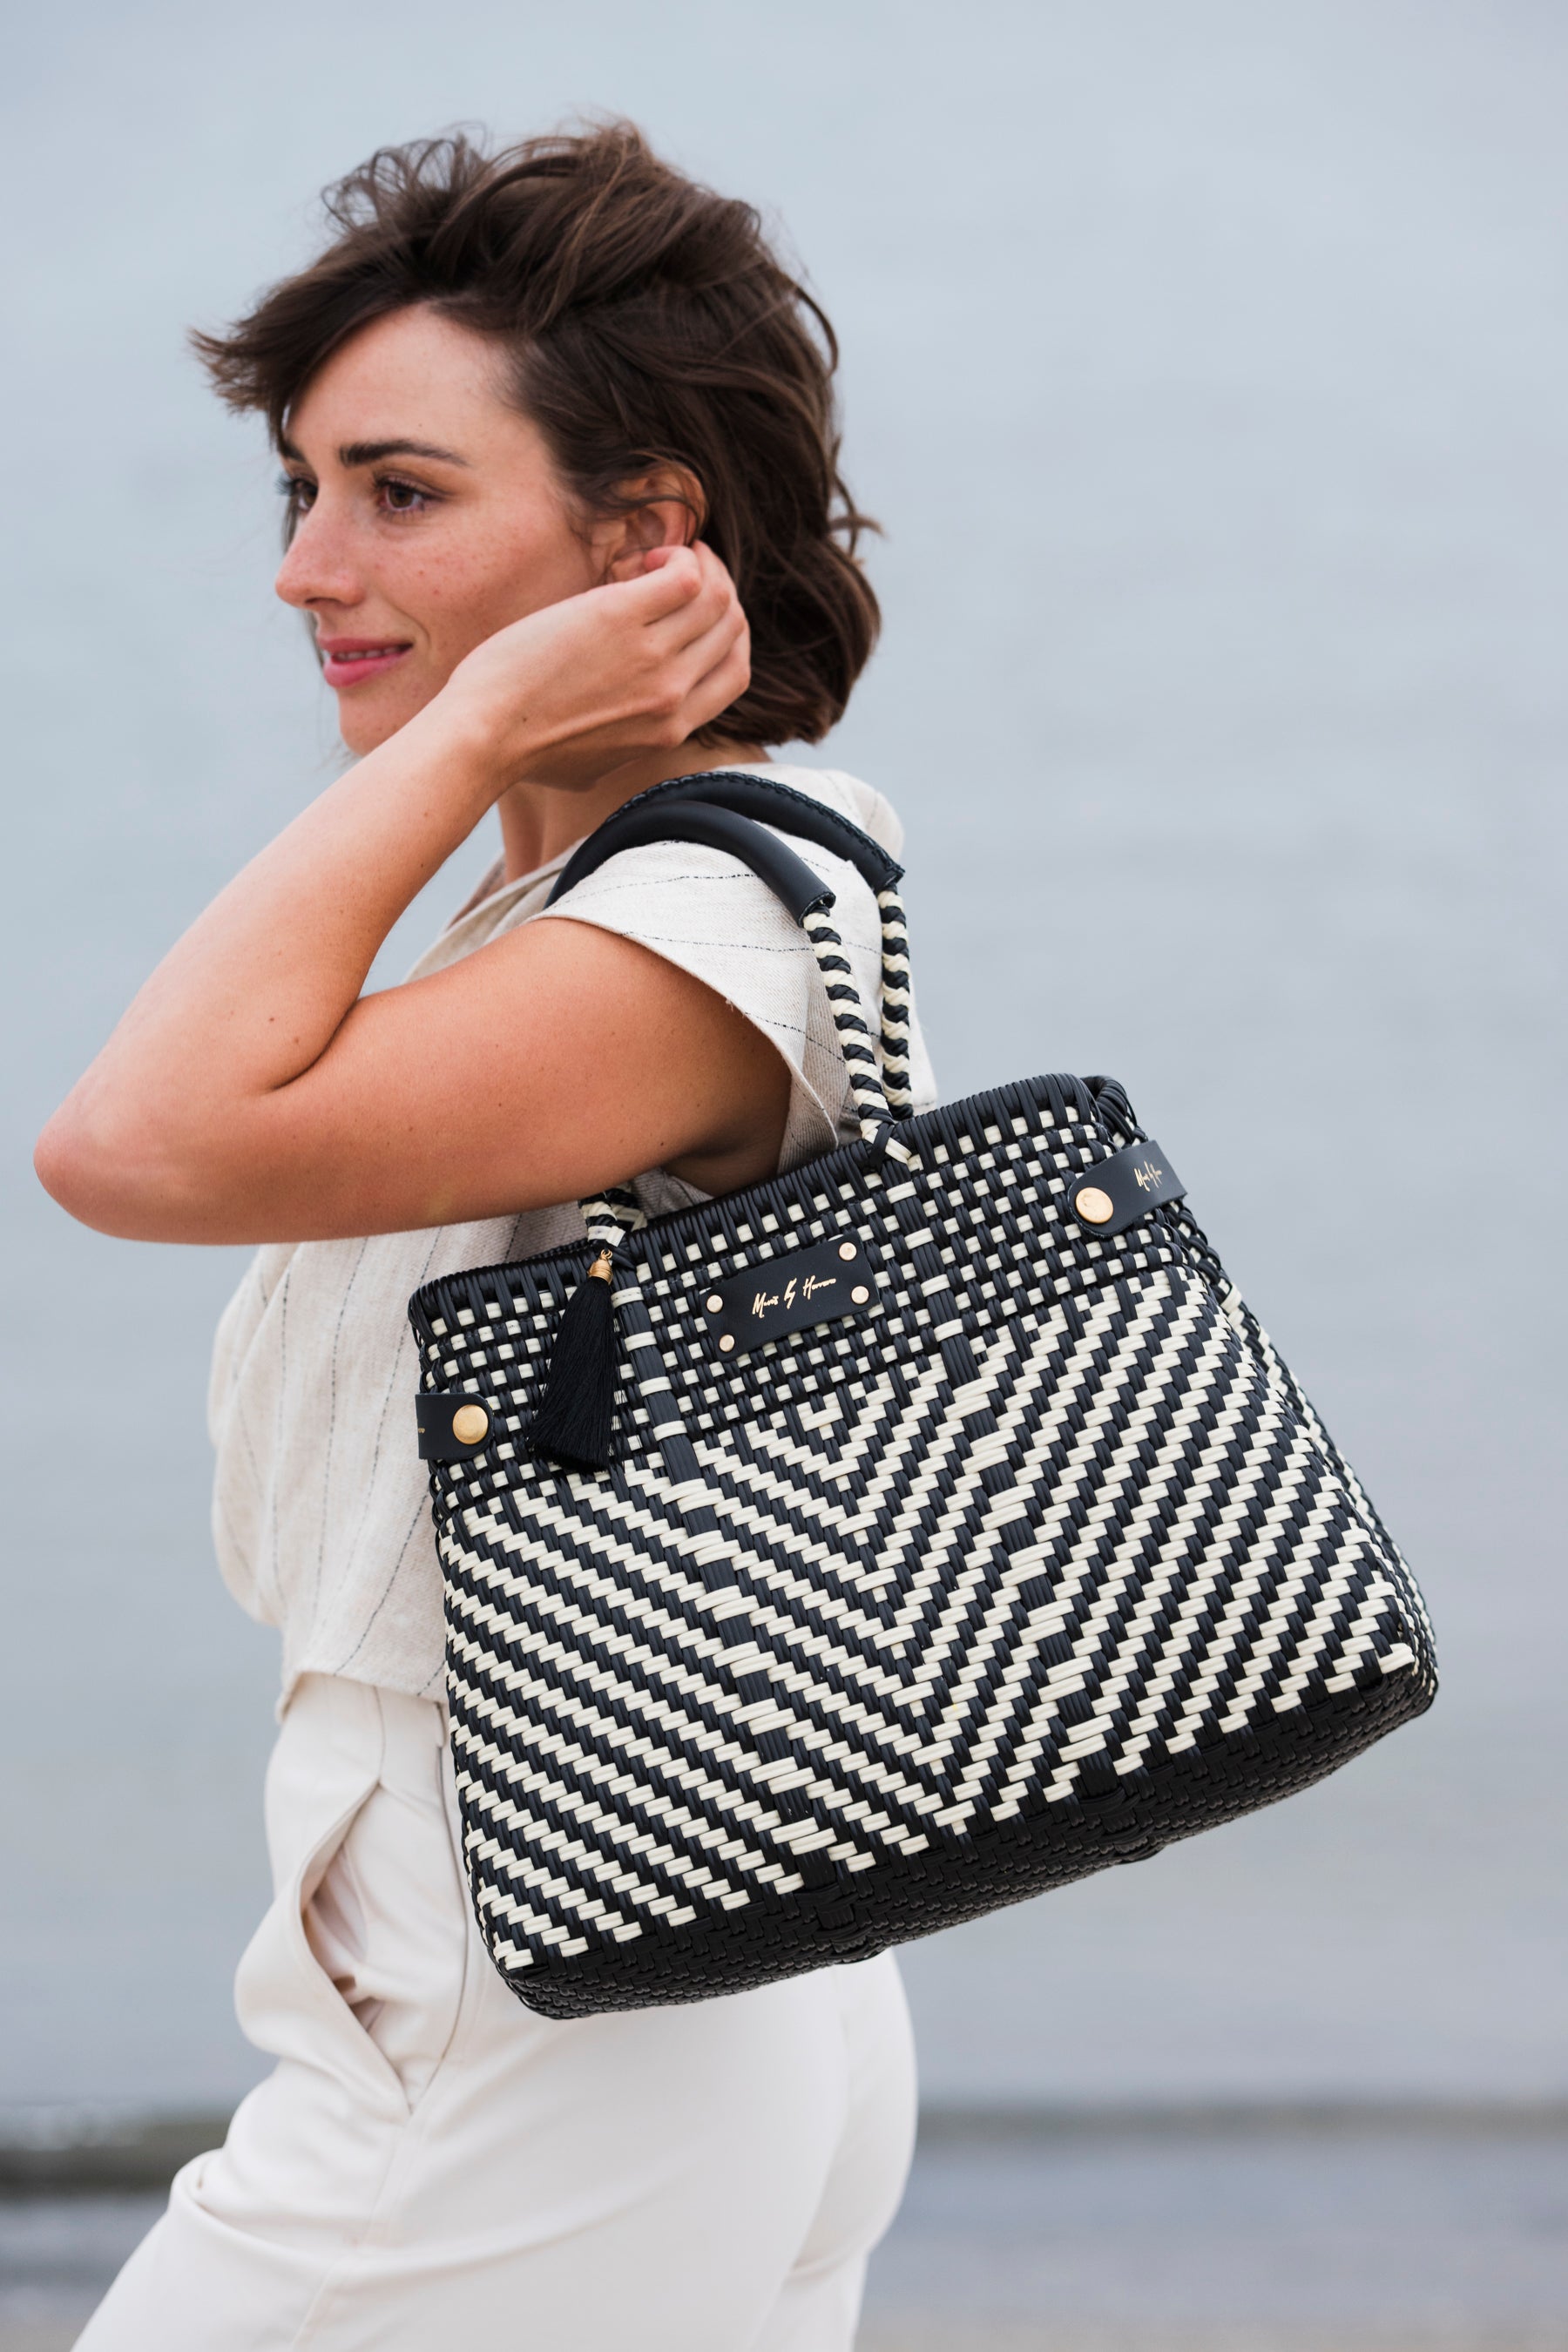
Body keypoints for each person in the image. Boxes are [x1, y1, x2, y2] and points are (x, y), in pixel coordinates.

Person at [37, 123, 936, 2350]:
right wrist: (482, 759)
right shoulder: (585, 899)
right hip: (685, 1922)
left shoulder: (690, 920)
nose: (307, 565)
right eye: (302, 491)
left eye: (401, 493)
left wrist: (458, 743)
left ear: (647, 537)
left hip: (535, 1987)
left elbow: (132, 1146)